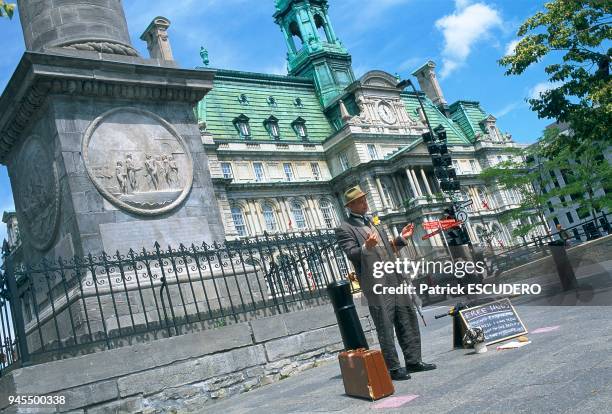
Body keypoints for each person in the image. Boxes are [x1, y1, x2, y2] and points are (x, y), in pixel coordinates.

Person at [335, 185, 436, 381]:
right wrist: (365, 247)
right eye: (362, 200)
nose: (366, 203)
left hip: (394, 278)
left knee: (407, 318)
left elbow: (387, 250)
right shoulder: (344, 228)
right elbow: (351, 253)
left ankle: (414, 361)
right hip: (375, 284)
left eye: (365, 199)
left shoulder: (375, 222)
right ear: (351, 205)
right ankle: (394, 367)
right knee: (385, 324)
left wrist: (401, 239)